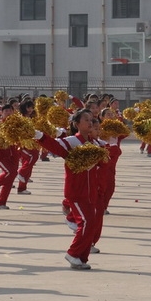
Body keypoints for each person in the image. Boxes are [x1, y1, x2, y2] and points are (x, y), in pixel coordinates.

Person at [35, 109, 108, 270]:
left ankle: (81, 257)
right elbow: (54, 146)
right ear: (76, 124)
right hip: (76, 192)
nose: (90, 122)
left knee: (92, 224)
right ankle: (73, 253)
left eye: (91, 120)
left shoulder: (95, 144)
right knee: (87, 222)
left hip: (91, 193)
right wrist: (39, 135)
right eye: (86, 120)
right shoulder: (71, 142)